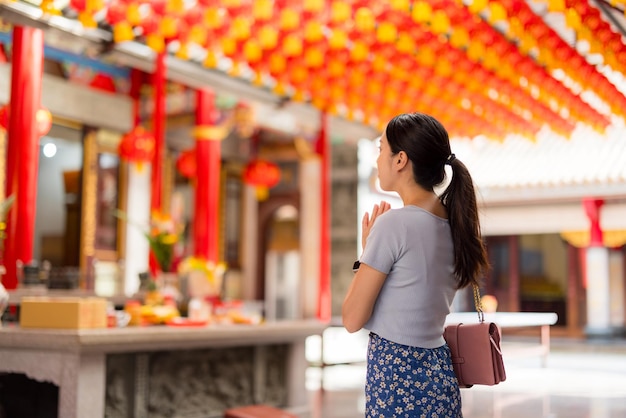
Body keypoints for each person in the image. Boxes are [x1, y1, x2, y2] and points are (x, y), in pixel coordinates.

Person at [342, 112, 489, 417]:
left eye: (381, 149)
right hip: (440, 370)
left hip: (397, 379)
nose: (377, 159)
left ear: (400, 160)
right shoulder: (454, 223)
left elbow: (352, 318)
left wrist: (366, 254)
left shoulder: (394, 225)